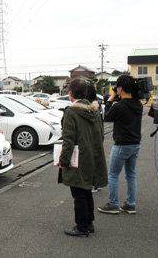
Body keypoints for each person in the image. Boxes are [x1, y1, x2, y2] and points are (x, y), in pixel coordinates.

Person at [58, 78, 108, 237]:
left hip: (78, 158)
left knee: (78, 193)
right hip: (92, 156)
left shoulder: (71, 112)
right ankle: (89, 223)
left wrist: (63, 161)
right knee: (87, 190)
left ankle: (81, 227)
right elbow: (101, 135)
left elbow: (68, 140)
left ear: (71, 93)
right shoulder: (95, 110)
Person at [98, 75, 143, 215]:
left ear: (120, 88)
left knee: (113, 175)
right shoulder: (138, 104)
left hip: (122, 145)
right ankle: (130, 204)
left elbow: (107, 117)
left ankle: (113, 204)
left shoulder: (120, 106)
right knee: (131, 175)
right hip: (135, 144)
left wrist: (110, 100)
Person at [85, 84, 104, 193]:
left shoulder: (85, 106)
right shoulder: (98, 105)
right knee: (97, 161)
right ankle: (97, 184)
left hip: (88, 137)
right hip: (97, 135)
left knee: (89, 162)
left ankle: (91, 184)